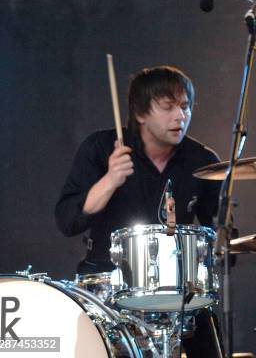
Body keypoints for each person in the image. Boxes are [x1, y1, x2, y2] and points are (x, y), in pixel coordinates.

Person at [55, 65, 222, 357]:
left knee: (209, 336)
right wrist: (109, 180)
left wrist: (224, 243)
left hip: (179, 288)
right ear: (141, 114)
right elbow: (67, 220)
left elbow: (218, 230)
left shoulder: (203, 161)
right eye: (168, 107)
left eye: (185, 107)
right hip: (106, 282)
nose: (180, 116)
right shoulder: (100, 148)